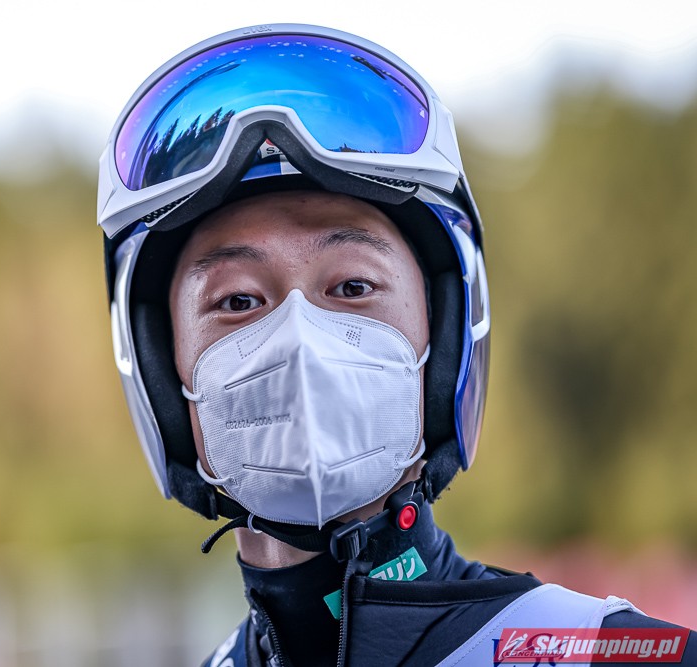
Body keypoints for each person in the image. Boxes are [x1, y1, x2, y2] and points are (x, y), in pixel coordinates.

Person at [96, 24, 696, 666]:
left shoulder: (615, 654)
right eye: (239, 300)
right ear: (163, 372)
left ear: (443, 339)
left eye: (353, 286)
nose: (299, 341)